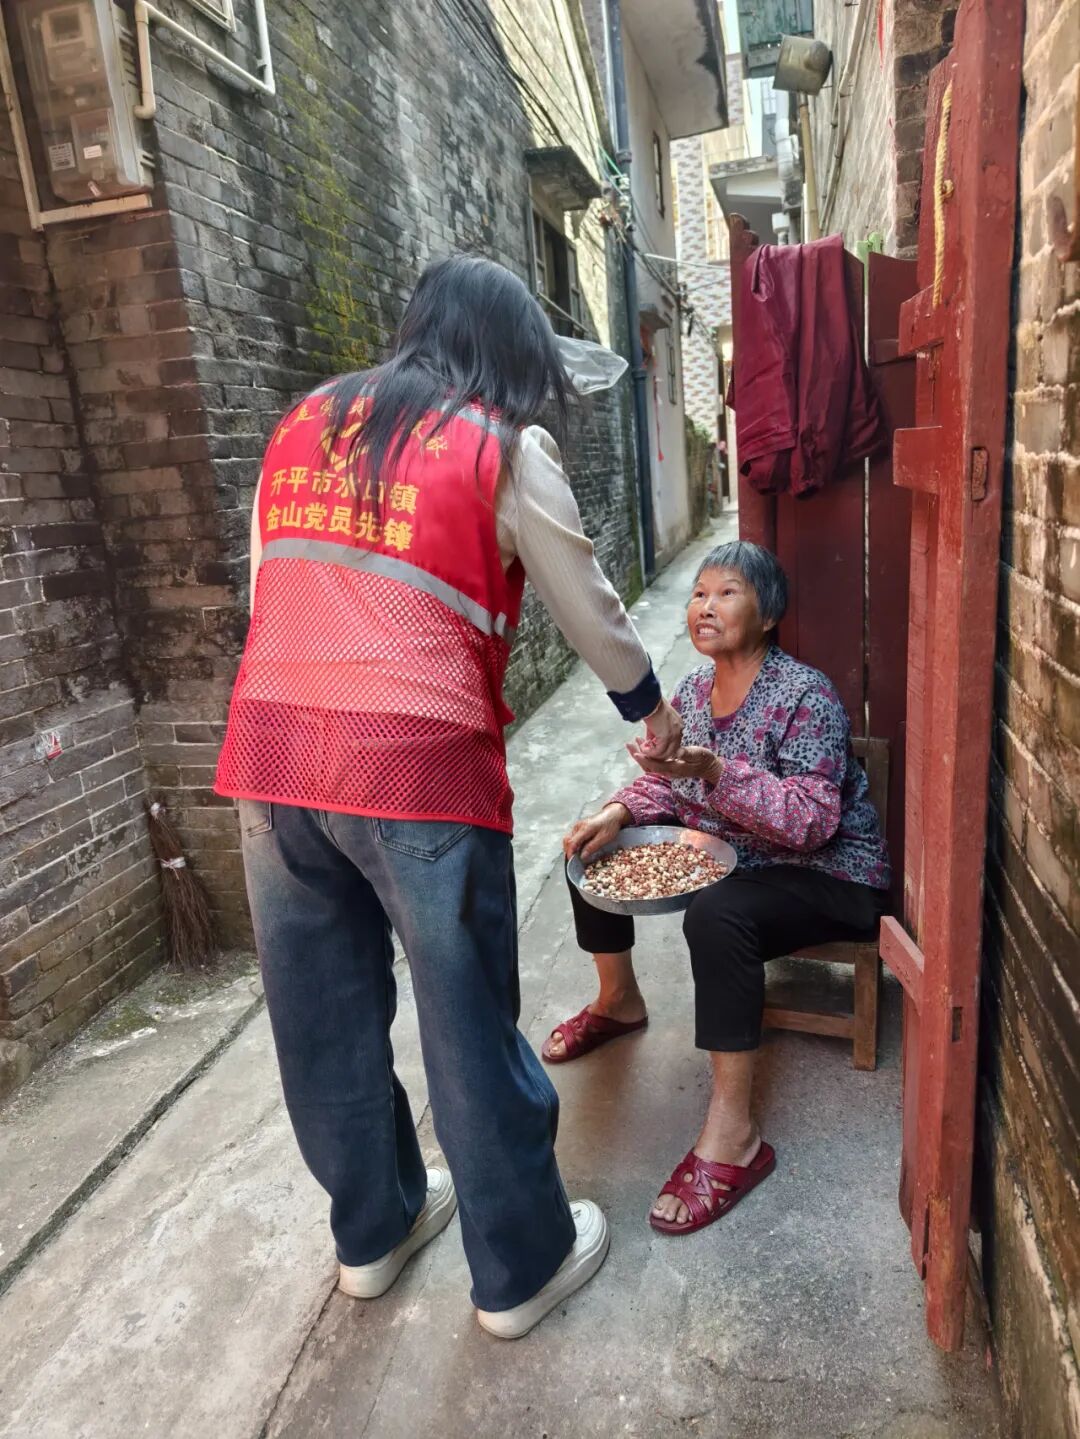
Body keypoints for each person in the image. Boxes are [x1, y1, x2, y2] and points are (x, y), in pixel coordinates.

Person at [213, 256, 682, 1338]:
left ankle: (371, 1234)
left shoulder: (300, 425)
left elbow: (270, 589)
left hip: (273, 750)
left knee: (320, 1012)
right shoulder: (499, 445)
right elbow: (590, 604)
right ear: (509, 352)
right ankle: (521, 1265)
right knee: (465, 1015)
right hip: (415, 762)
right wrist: (655, 718)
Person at [552, 541, 889, 1234]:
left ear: (768, 614)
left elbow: (811, 822)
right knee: (590, 849)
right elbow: (666, 786)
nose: (705, 606)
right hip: (748, 864)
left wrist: (714, 772)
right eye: (699, 593)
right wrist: (617, 811)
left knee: (716, 914)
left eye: (727, 592)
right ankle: (618, 1002)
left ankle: (735, 1135)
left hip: (830, 874)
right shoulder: (690, 695)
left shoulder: (804, 695)